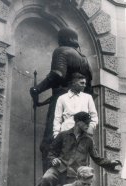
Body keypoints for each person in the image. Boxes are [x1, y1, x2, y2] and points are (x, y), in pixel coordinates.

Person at [26, 112, 122, 186]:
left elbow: (97, 158)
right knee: (47, 178)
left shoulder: (88, 140)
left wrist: (111, 162)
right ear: (78, 122)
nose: (88, 125)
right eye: (86, 123)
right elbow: (51, 151)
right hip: (59, 168)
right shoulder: (63, 135)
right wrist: (53, 159)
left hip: (75, 175)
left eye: (89, 123)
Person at [30, 26, 93, 173]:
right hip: (81, 108)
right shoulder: (85, 61)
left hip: (62, 102)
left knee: (51, 141)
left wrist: (37, 89)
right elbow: (89, 88)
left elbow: (57, 74)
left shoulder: (62, 51)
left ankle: (49, 184)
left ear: (62, 39)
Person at [53, 72, 98, 138]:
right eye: (82, 83)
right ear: (74, 83)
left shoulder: (88, 97)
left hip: (83, 134)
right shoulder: (62, 98)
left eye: (85, 83)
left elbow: (94, 116)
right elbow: (57, 119)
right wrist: (56, 135)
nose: (84, 85)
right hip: (66, 132)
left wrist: (91, 127)